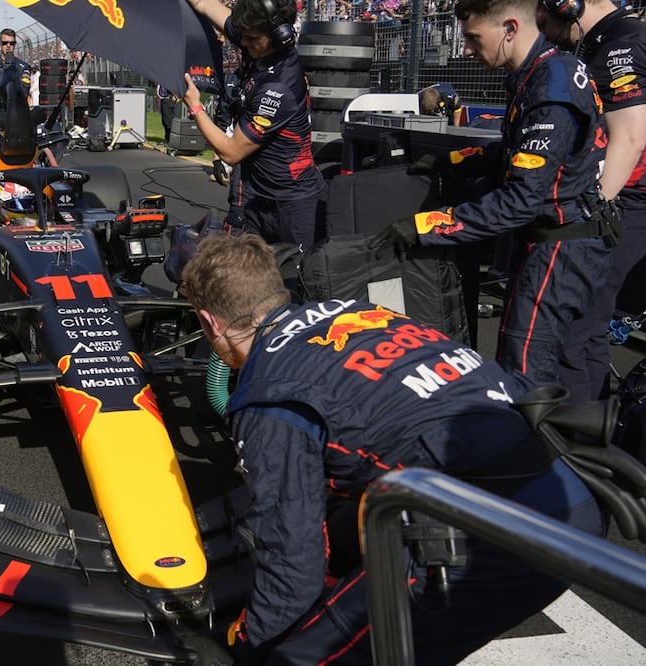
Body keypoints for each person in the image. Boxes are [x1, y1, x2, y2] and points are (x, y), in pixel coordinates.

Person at [178, 233, 604, 665]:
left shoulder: (269, 393)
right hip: (572, 491)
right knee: (345, 524)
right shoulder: (362, 313)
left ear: (211, 322)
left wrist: (250, 643)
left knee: (295, 658)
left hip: (497, 535)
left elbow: (293, 567)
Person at [372, 0, 613, 390]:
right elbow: (515, 151)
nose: (466, 49)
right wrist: (450, 159)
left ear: (510, 28)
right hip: (570, 239)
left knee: (523, 372)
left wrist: (426, 225)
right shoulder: (542, 70)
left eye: (472, 37)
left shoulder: (550, 85)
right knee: (569, 370)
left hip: (560, 249)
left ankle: (535, 449)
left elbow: (521, 199)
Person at [538, 0, 646, 401]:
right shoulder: (604, 40)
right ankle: (599, 433)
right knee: (588, 331)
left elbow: (632, 136)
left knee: (573, 329)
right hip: (620, 203)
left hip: (625, 204)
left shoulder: (623, 43)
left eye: (545, 16)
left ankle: (581, 445)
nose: (544, 28)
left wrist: (593, 209)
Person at [182, 0, 326, 248]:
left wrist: (195, 106)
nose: (243, 43)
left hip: (294, 205)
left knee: (297, 282)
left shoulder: (279, 87)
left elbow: (231, 151)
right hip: (258, 199)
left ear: (279, 36)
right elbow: (204, 4)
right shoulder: (259, 38)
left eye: (250, 38)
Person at [0, 28, 32, 103]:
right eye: (5, 43)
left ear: (15, 44)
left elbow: (24, 91)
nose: (8, 45)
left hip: (14, 107)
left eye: (11, 43)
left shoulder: (23, 67)